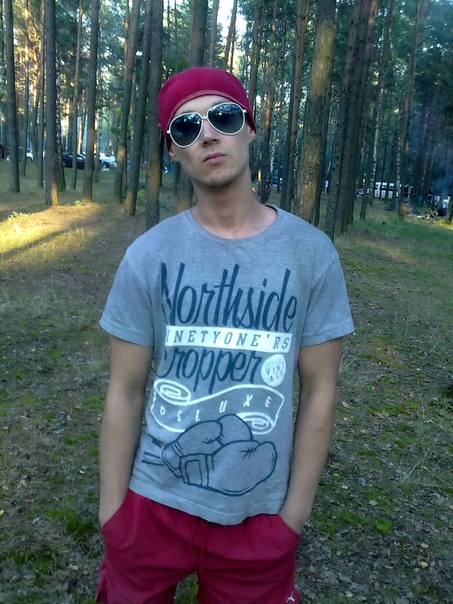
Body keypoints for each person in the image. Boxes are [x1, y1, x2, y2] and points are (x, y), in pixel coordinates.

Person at [96, 66, 354, 604]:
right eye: (186, 127)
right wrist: (113, 513)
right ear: (174, 150)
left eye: (224, 116)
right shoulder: (148, 256)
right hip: (151, 507)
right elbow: (125, 389)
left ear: (250, 128)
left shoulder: (311, 254)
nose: (208, 134)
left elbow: (320, 390)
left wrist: (292, 518)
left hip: (257, 518)